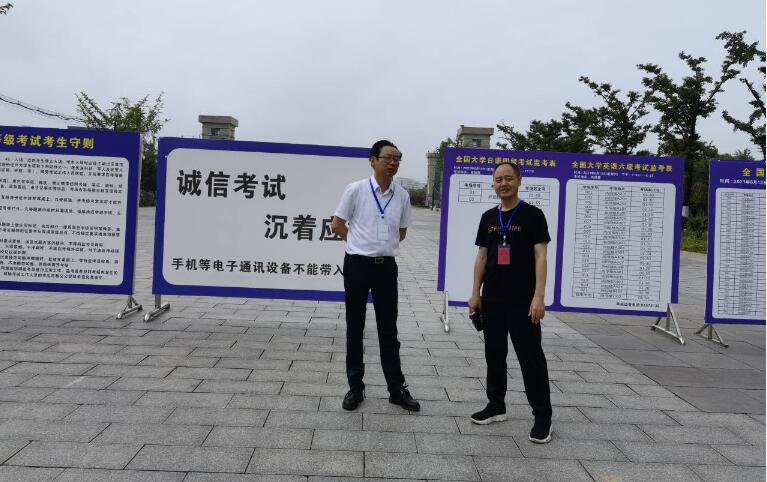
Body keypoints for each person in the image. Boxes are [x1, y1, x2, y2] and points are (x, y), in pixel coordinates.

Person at [331, 139, 420, 412]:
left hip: (386, 268)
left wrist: (381, 246)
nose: (393, 162)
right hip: (357, 265)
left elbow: (402, 232)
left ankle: (396, 389)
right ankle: (355, 388)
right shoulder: (356, 190)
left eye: (397, 158)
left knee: (388, 329)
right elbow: (337, 224)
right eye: (387, 157)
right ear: (372, 160)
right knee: (355, 327)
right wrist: (359, 244)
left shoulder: (402, 195)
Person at [468, 161, 553, 443]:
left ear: (519, 180)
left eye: (508, 178)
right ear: (493, 184)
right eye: (498, 179)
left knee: (531, 358)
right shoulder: (488, 218)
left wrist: (539, 296)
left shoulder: (533, 215)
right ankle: (496, 405)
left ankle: (542, 416)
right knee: (494, 354)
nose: (503, 183)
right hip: (492, 298)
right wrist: (475, 293)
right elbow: (482, 257)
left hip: (523, 299)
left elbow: (541, 256)